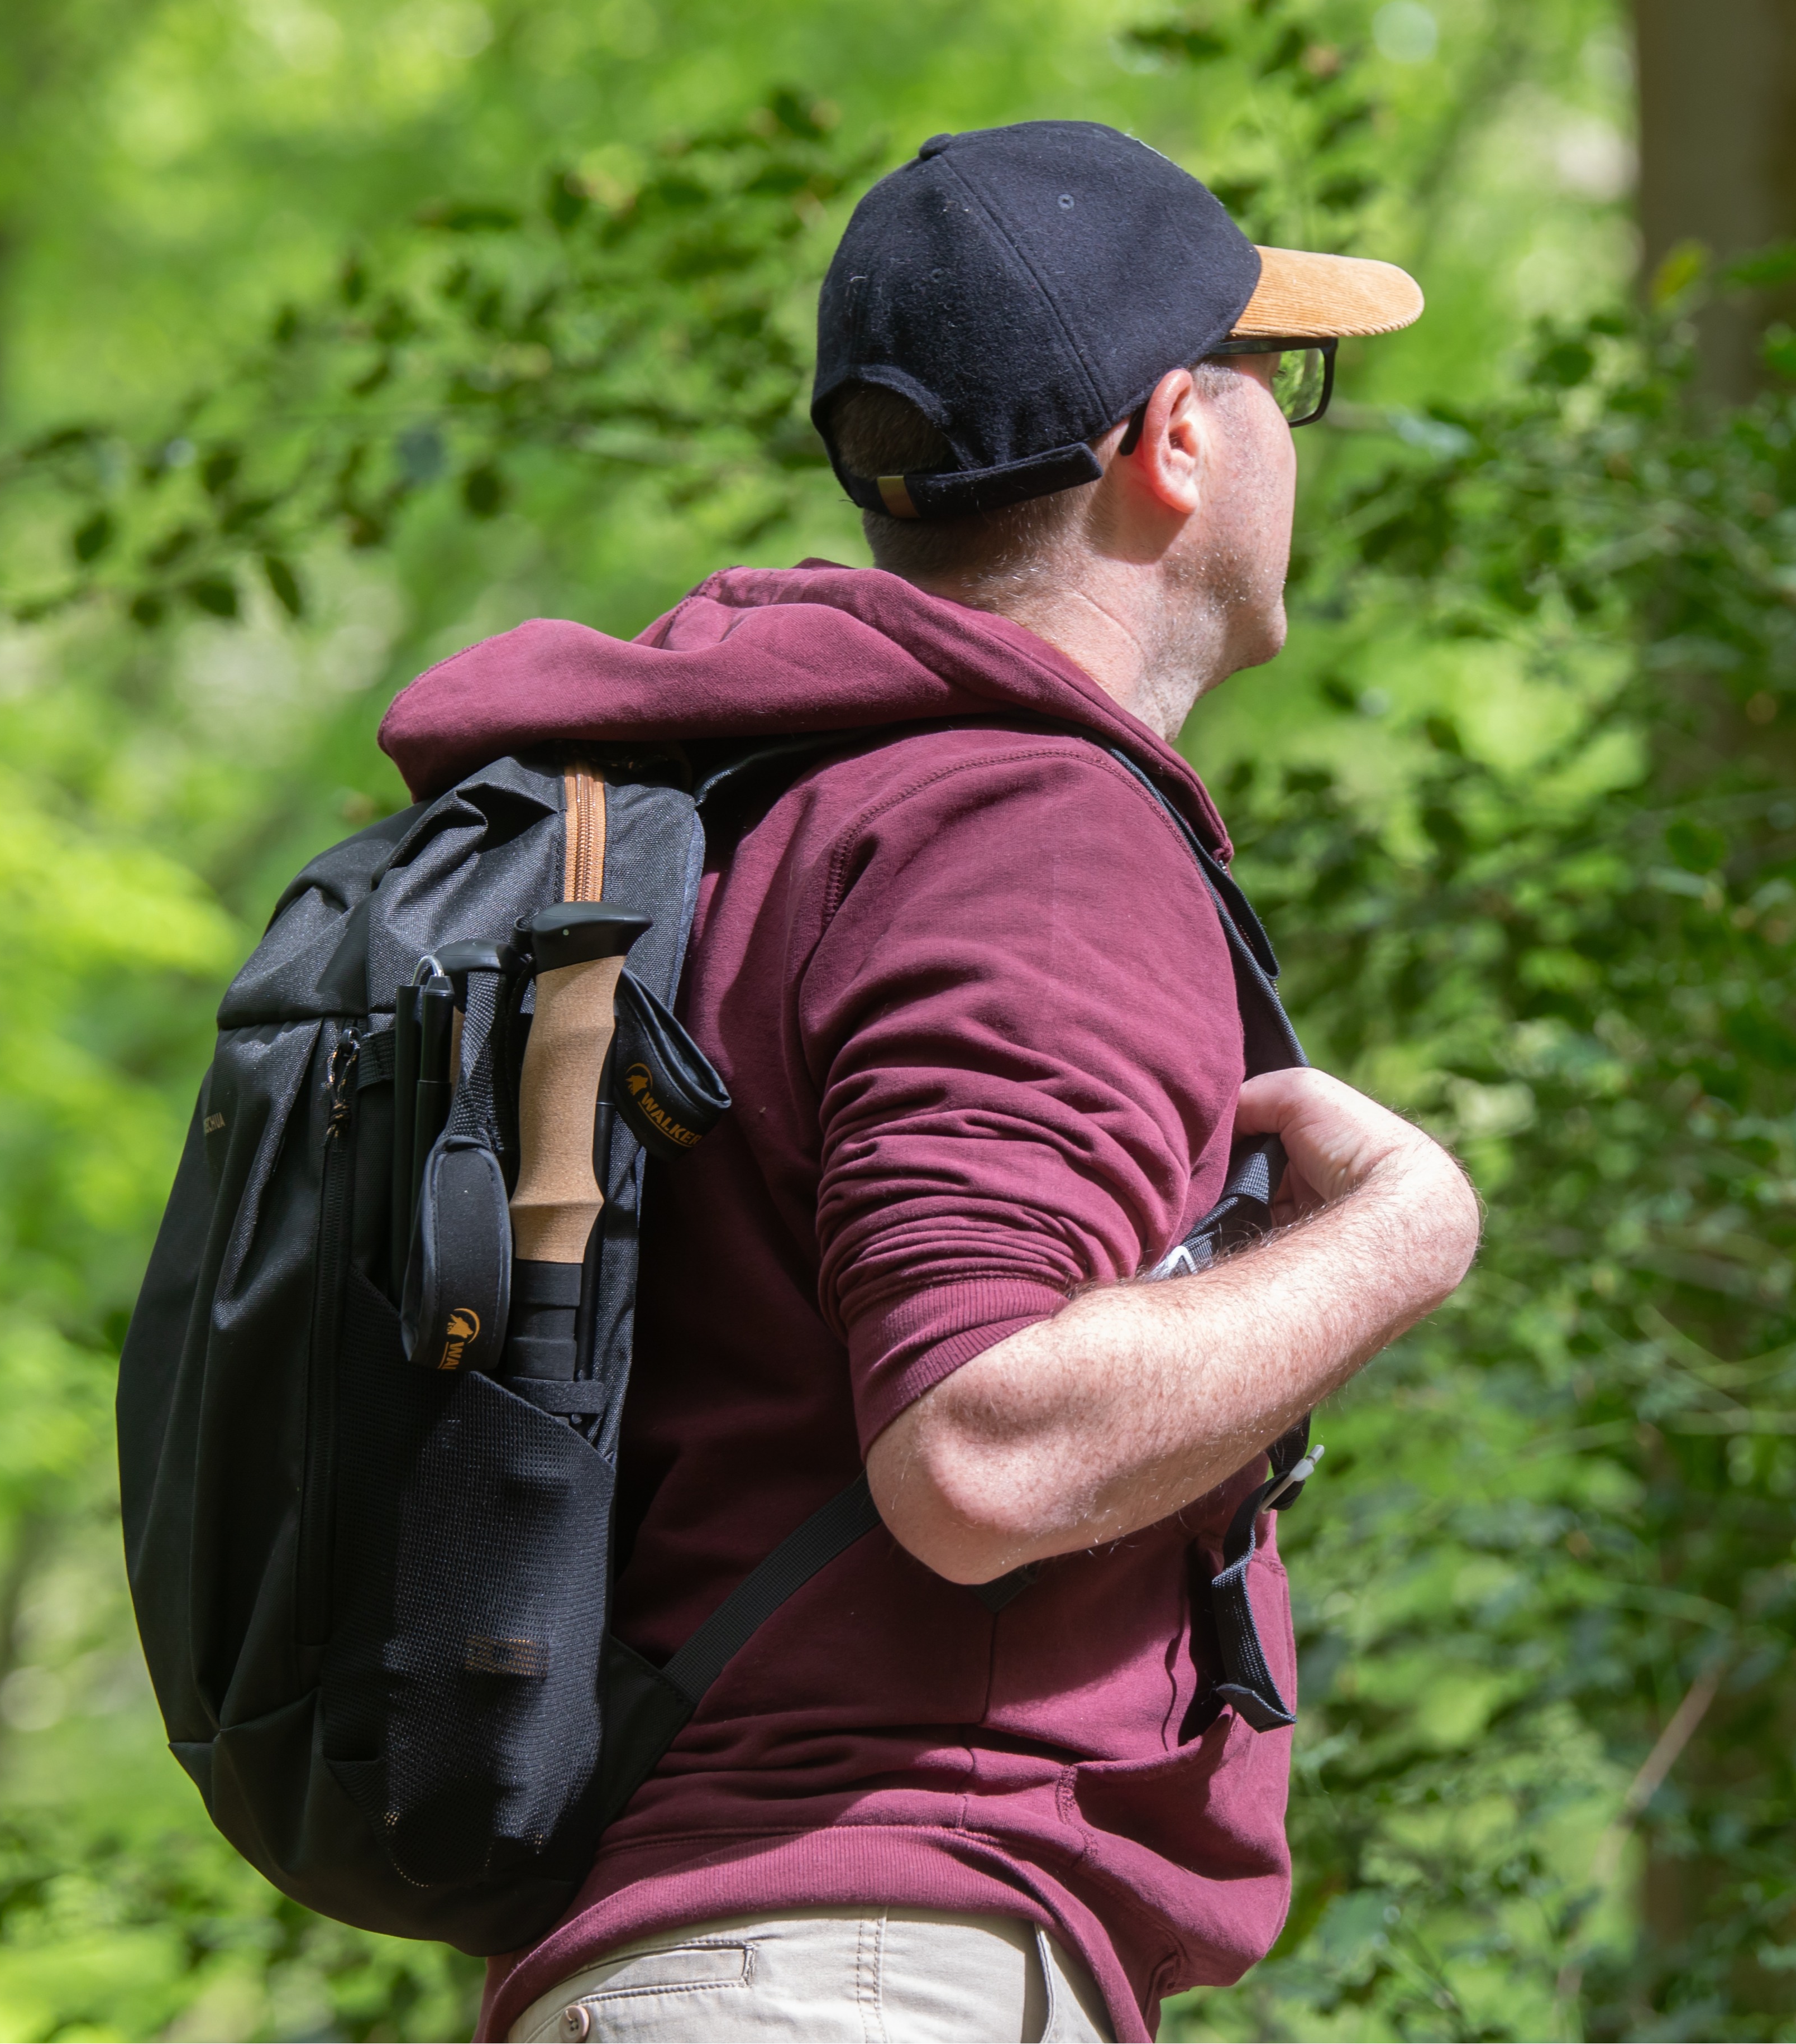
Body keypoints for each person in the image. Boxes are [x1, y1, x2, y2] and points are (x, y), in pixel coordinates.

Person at [377, 119, 1480, 2044]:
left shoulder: (756, 818)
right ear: (1179, 440)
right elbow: (981, 1450)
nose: (1306, 434)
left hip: (703, 1949)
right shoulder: (1024, 832)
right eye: (1286, 377)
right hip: (866, 1963)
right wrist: (1404, 1234)